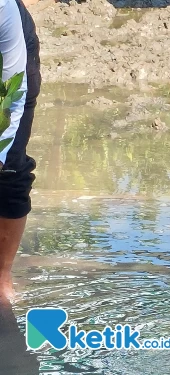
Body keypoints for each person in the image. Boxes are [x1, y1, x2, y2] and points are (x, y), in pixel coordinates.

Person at [0, 0, 41, 300]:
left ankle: (2, 277)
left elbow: (12, 94)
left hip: (9, 69)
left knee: (10, 169)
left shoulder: (2, 9)